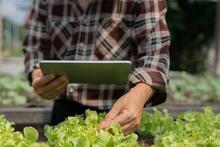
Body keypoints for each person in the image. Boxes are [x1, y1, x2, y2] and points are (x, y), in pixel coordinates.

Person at [23, 0, 170, 134]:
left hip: (120, 112)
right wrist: (37, 74)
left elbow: (155, 54)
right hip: (64, 110)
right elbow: (35, 46)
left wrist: (139, 94)